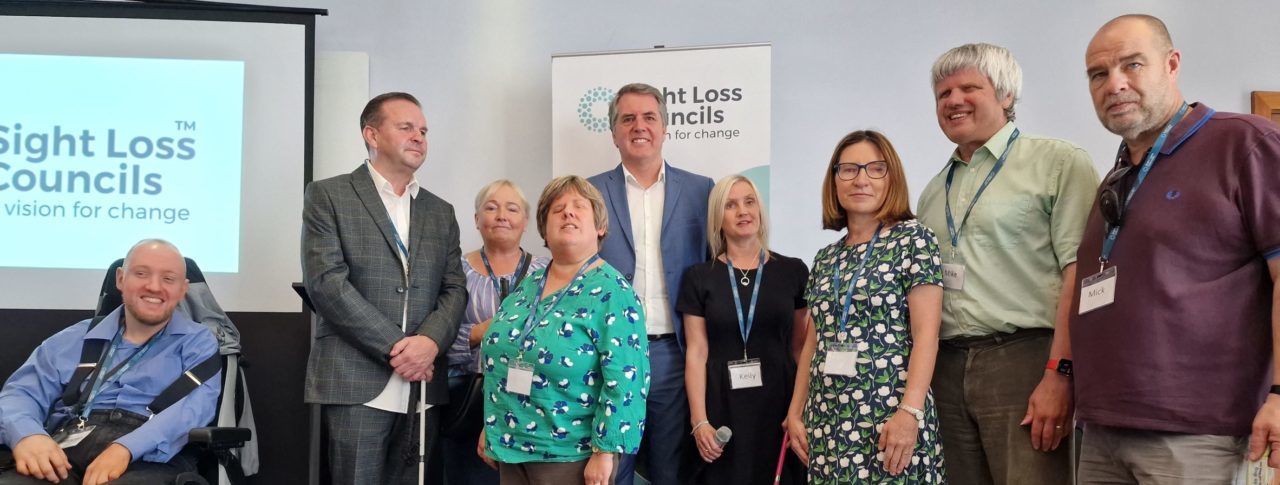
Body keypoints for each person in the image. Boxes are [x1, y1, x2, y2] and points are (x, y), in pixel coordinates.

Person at [1072, 14, 1280, 483]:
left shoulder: (1245, 144)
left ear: (1172, 64)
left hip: (1197, 432)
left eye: (1132, 65)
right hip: (1103, 426)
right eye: (1099, 74)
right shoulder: (1118, 175)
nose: (1115, 84)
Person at [915, 43, 1099, 485]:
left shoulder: (1057, 163)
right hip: (947, 367)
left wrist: (1060, 373)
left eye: (969, 88)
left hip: (1026, 361)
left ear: (1006, 96)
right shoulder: (932, 192)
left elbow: (1081, 272)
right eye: (943, 94)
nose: (953, 100)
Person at [302, 92, 467, 485]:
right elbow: (326, 283)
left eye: (423, 131)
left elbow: (455, 288)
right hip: (356, 379)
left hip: (423, 385)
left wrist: (428, 343)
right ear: (372, 135)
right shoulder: (328, 195)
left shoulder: (440, 211)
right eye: (406, 127)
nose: (419, 137)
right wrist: (400, 349)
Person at [785, 130, 946, 483]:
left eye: (875, 169)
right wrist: (796, 411)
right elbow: (814, 342)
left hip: (889, 417)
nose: (861, 179)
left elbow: (927, 335)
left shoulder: (914, 240)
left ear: (892, 178)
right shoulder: (826, 258)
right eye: (849, 169)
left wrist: (910, 413)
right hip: (827, 418)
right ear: (835, 181)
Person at [0, 239, 221, 485]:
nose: (154, 286)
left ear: (183, 289)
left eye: (169, 279)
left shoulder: (199, 344)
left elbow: (191, 410)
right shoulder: (72, 339)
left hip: (150, 456)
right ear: (120, 279)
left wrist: (125, 448)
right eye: (141, 273)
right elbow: (20, 394)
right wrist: (27, 435)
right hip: (65, 446)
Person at [477, 176, 649, 485]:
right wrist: (493, 425)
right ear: (544, 229)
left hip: (572, 454)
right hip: (510, 446)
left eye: (579, 207)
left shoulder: (614, 292)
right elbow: (506, 355)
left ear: (600, 227)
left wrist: (605, 452)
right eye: (557, 209)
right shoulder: (528, 284)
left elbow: (626, 380)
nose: (567, 213)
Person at [587, 82, 714, 485]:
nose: (638, 126)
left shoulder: (701, 189)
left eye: (648, 117)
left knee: (669, 468)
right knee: (610, 468)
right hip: (606, 355)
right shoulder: (588, 191)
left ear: (664, 127)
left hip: (673, 353)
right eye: (627, 119)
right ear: (613, 133)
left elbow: (715, 269)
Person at [678, 175, 808, 484]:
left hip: (780, 405)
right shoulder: (699, 277)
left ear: (760, 210)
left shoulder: (793, 271)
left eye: (749, 201)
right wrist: (699, 422)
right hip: (722, 406)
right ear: (717, 218)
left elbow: (802, 349)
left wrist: (799, 410)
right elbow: (696, 353)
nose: (742, 211)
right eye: (730, 205)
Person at [443, 180, 548, 485]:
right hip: (468, 400)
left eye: (512, 209)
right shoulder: (454, 272)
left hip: (531, 402)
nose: (502, 215)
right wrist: (483, 332)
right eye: (491, 208)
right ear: (477, 219)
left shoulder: (546, 273)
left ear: (525, 222)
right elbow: (438, 338)